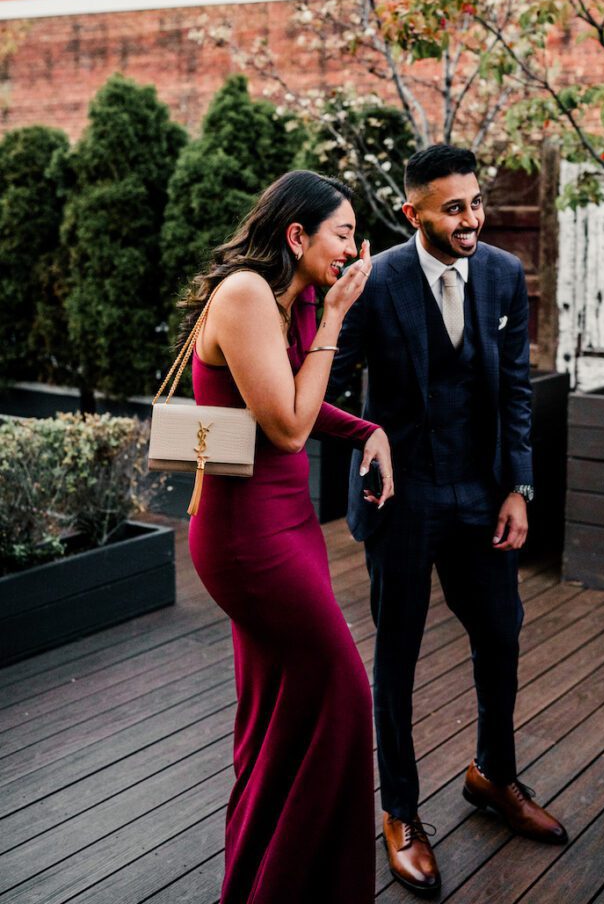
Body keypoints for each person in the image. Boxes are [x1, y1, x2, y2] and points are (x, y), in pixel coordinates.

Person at [328, 144, 567, 896]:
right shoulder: (375, 284)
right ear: (413, 213)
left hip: (481, 492)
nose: (471, 219)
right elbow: (328, 387)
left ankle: (492, 775)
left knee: (501, 632)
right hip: (403, 497)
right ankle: (399, 810)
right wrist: (364, 441)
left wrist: (519, 487)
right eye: (452, 208)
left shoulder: (501, 273)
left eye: (475, 203)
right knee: (395, 654)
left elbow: (517, 392)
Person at [184, 170, 394, 904]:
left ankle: (262, 881)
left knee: (278, 713)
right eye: (342, 232)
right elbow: (286, 425)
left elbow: (294, 394)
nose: (352, 248)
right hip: (247, 541)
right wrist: (336, 316)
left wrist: (367, 429)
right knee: (340, 694)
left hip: (289, 524)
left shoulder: (292, 296)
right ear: (298, 235)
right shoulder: (244, 295)